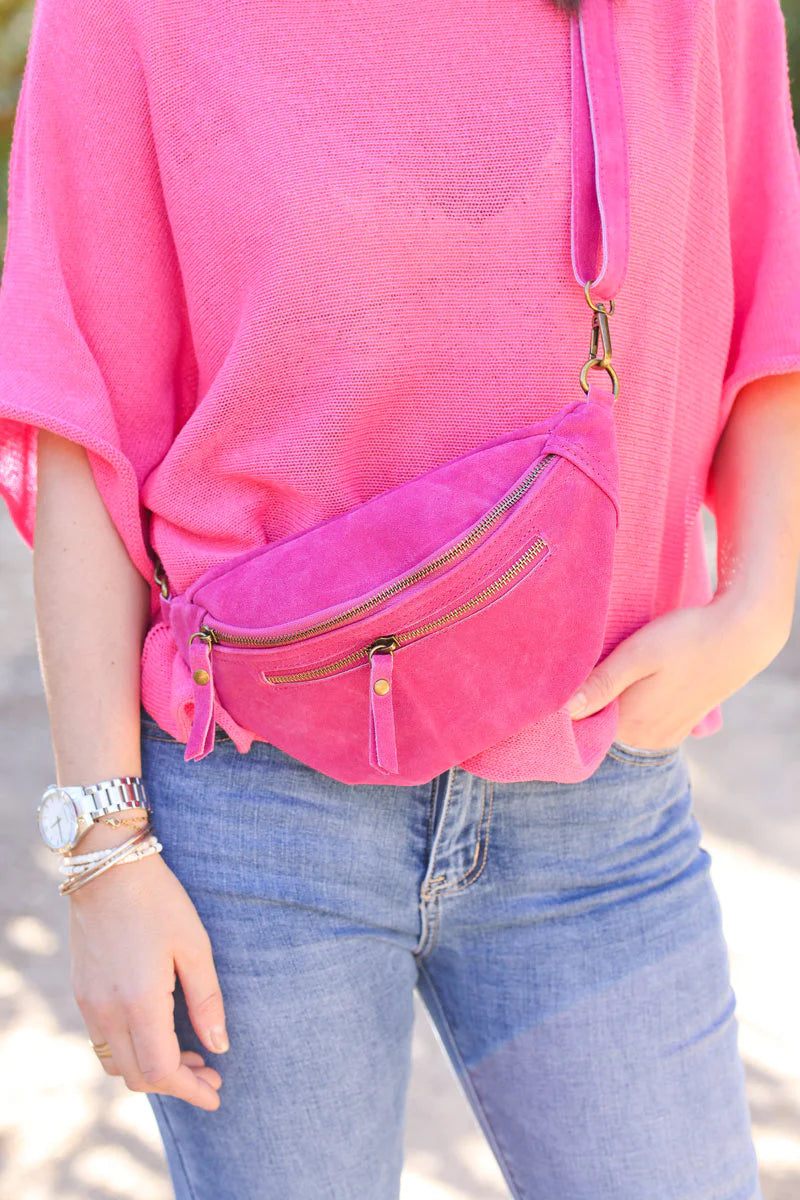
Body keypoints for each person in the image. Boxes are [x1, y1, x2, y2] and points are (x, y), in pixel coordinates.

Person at [1, 0, 799, 1195]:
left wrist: (755, 607)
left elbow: (764, 277)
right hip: (260, 814)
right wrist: (106, 857)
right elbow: (81, 419)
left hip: (596, 792)